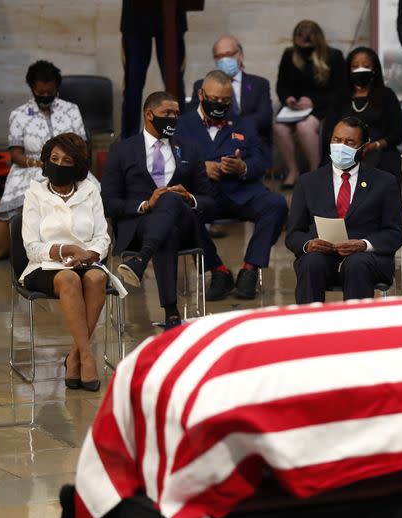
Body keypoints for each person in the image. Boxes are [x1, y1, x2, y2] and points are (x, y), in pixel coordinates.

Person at [102, 91, 215, 330]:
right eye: (167, 113)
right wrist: (146, 204)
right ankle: (172, 313)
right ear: (149, 114)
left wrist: (190, 197)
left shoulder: (190, 149)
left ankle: (141, 260)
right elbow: (109, 202)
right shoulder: (122, 150)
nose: (173, 118)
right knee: (167, 229)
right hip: (139, 225)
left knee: (172, 199)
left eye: (176, 114)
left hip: (185, 223)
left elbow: (210, 200)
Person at [177, 70, 288, 301]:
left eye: (225, 101)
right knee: (182, 211)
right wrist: (201, 167)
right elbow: (170, 162)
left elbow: (261, 160)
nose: (219, 104)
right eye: (215, 99)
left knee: (276, 204)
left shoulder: (243, 124)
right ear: (201, 94)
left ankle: (250, 268)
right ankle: (218, 271)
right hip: (203, 194)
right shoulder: (181, 125)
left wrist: (242, 167)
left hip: (241, 193)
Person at [21, 133, 109, 392]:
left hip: (85, 261)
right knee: (69, 279)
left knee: (97, 278)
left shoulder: (90, 191)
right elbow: (31, 247)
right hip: (44, 265)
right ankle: (87, 356)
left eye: (66, 160)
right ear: (46, 162)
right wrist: (64, 249)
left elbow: (102, 236)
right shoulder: (34, 194)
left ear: (77, 165)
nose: (58, 164)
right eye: (54, 159)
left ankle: (73, 356)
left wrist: (89, 255)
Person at [285, 116, 402, 304]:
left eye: (349, 142)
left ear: (363, 148)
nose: (341, 147)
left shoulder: (384, 182)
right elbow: (293, 235)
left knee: (357, 263)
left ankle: (354, 330)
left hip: (367, 259)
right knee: (311, 262)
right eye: (337, 140)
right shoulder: (308, 182)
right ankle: (308, 327)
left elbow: (395, 233)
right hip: (321, 256)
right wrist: (309, 244)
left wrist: (364, 244)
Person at [0, 60, 96, 222]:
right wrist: (39, 164)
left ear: (56, 88)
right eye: (40, 92)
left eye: (50, 92)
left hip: (68, 165)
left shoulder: (71, 110)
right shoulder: (19, 114)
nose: (45, 96)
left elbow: (82, 146)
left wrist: (69, 163)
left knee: (91, 191)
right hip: (30, 168)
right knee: (33, 199)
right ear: (32, 88)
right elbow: (15, 155)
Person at [274, 20, 345, 189]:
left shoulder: (334, 56)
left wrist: (313, 102)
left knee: (304, 127)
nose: (304, 48)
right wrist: (288, 98)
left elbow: (340, 91)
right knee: (279, 127)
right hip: (295, 108)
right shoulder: (289, 55)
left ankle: (315, 173)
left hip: (322, 107)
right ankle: (293, 171)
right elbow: (281, 85)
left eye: (308, 44)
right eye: (300, 44)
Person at [323, 46, 402, 180]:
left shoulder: (386, 95)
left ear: (374, 69)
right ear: (349, 70)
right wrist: (343, 147)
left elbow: (396, 132)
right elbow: (328, 131)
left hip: (379, 151)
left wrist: (375, 145)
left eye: (366, 65)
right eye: (355, 66)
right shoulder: (339, 97)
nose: (360, 69)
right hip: (344, 151)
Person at [120, 0, 188, 138]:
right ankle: (130, 140)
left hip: (172, 11)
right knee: (133, 83)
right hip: (135, 14)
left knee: (175, 82)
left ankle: (181, 136)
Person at [188, 35, 273, 144]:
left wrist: (234, 127)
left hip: (252, 141)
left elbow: (264, 117)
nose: (224, 59)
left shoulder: (259, 84)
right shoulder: (202, 85)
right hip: (216, 143)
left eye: (229, 54)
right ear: (215, 59)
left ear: (240, 55)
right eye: (220, 56)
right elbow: (192, 117)